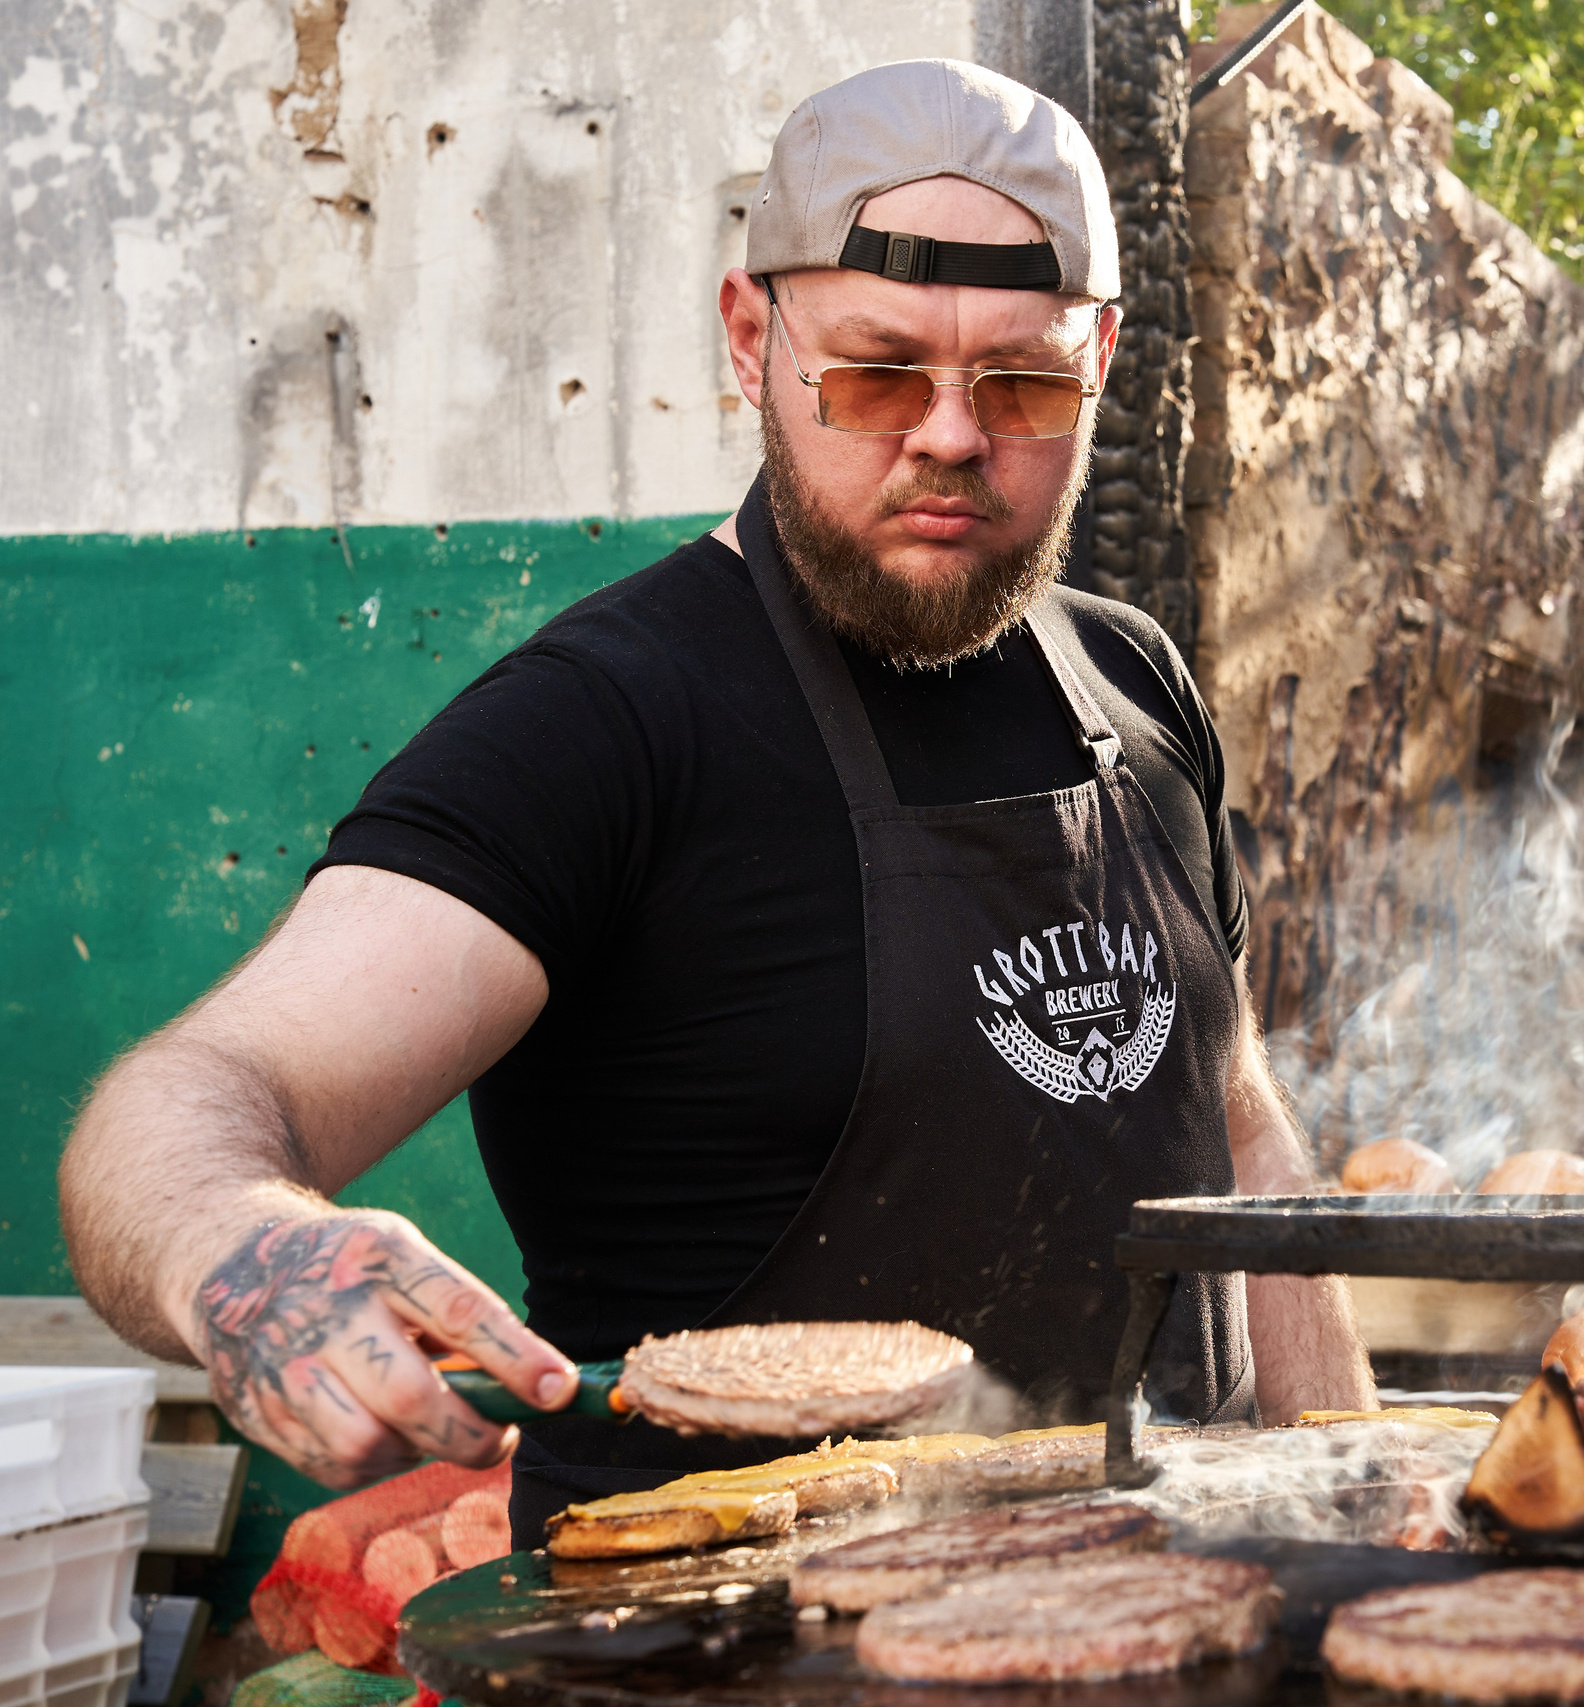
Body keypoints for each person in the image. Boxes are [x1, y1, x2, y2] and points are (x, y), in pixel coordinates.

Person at [57, 59, 1372, 1545]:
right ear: (751, 338)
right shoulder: (603, 725)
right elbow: (190, 1100)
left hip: (1163, 1625)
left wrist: (1357, 1512)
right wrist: (243, 1245)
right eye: (876, 372)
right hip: (727, 1655)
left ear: (1104, 362)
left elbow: (1245, 1138)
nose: (949, 434)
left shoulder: (1134, 684)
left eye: (1020, 380)